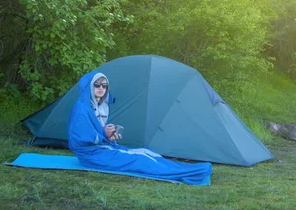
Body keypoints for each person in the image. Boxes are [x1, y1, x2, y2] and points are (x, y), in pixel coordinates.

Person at [68, 70, 212, 185]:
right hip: (90, 155)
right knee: (140, 159)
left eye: (104, 85)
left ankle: (191, 169)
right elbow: (79, 139)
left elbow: (98, 132)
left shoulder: (99, 105)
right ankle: (191, 173)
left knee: (145, 151)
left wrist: (110, 136)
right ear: (90, 87)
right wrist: (104, 134)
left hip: (100, 149)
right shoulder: (82, 109)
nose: (101, 88)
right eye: (97, 85)